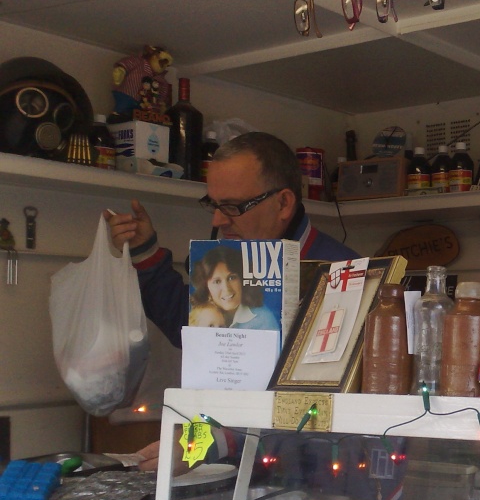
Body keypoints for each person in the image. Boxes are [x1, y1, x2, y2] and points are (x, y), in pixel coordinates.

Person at [105, 131, 358, 349]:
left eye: (233, 206)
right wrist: (144, 253)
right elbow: (189, 325)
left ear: (283, 204)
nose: (217, 221)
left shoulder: (354, 276)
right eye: (213, 204)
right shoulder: (227, 262)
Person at [189, 245, 278, 330]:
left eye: (232, 278)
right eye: (217, 281)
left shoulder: (263, 320)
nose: (226, 289)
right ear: (206, 286)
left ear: (242, 279)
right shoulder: (199, 315)